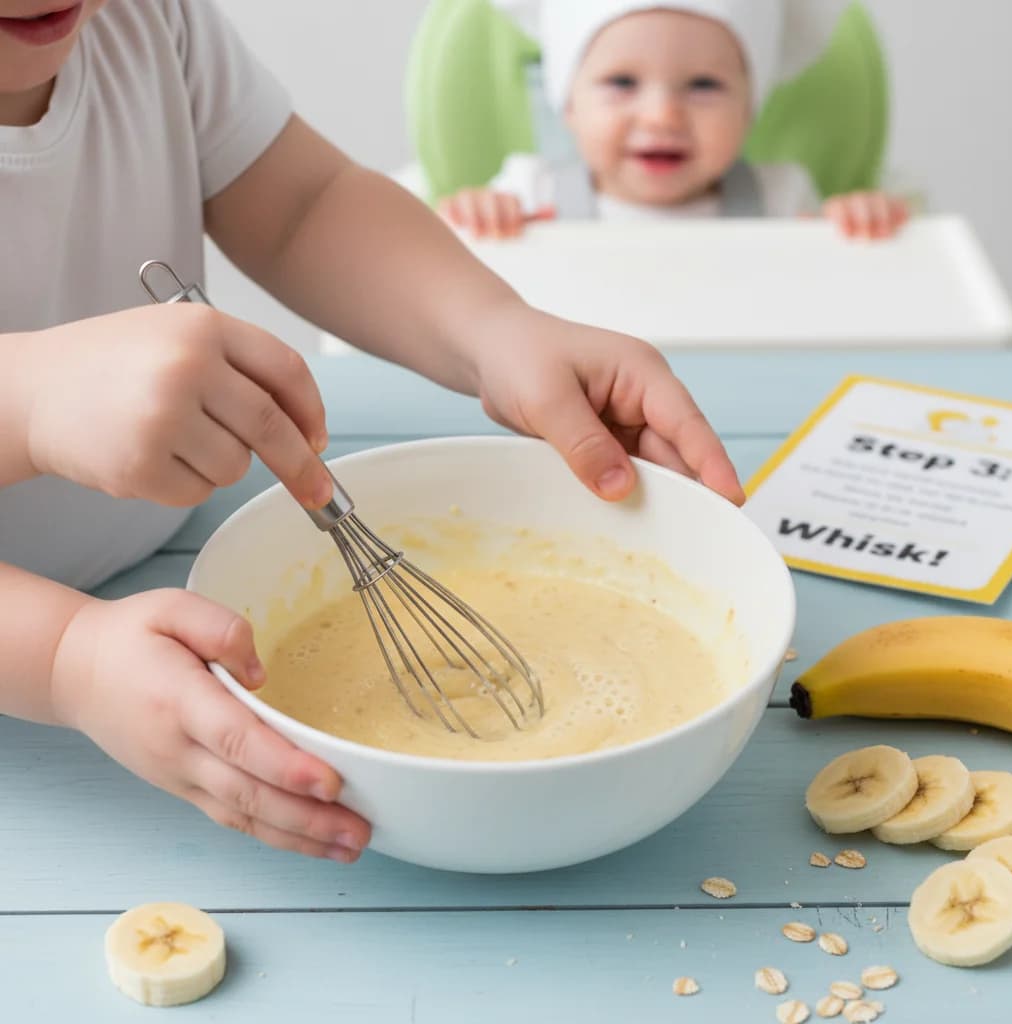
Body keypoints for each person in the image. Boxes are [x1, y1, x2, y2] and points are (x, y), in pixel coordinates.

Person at [0, 0, 743, 865]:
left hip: (163, 552)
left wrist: (493, 333)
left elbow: (303, 207)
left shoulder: (148, 20)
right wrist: (67, 657)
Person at [439, 0, 909, 240]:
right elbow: (443, 281)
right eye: (622, 82)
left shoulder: (782, 200)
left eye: (703, 85)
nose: (663, 116)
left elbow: (835, 290)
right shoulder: (528, 193)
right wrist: (475, 220)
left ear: (750, 107)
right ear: (568, 105)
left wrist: (857, 225)